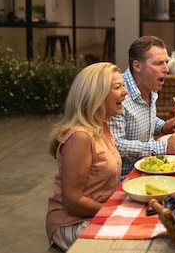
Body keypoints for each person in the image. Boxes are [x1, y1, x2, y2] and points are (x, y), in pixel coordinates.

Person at [46, 62, 127, 251]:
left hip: (97, 213)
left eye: (123, 86)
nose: (126, 92)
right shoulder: (80, 137)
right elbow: (73, 201)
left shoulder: (103, 127)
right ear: (96, 95)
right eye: (117, 87)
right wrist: (113, 212)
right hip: (72, 222)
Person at [108, 36, 175, 180]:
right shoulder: (118, 94)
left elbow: (140, 116)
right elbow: (114, 144)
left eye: (166, 63)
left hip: (149, 168)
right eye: (158, 63)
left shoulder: (149, 86)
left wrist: (163, 126)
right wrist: (160, 148)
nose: (166, 69)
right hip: (126, 178)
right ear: (137, 66)